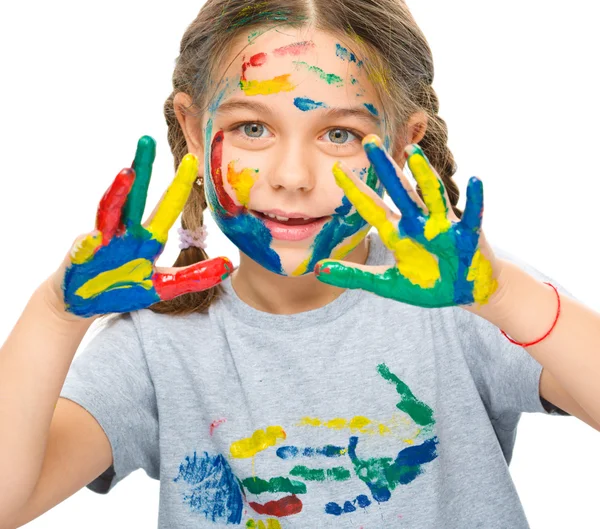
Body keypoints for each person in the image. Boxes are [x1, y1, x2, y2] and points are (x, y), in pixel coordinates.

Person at [1, 0, 599, 527]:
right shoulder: (158, 346)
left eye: (339, 135)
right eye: (252, 128)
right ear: (190, 125)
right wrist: (56, 315)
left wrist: (502, 300)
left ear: (400, 144)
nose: (291, 177)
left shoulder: (464, 305)